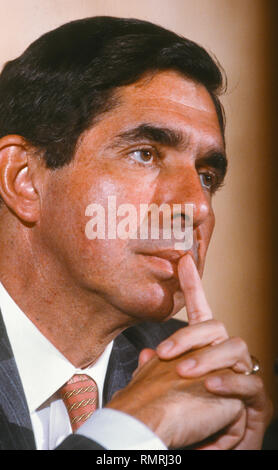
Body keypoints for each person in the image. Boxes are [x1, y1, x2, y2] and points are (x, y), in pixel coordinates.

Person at [0, 16, 272, 450]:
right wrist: (134, 431)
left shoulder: (206, 392)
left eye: (206, 176)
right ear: (23, 178)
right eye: (145, 154)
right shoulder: (161, 407)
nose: (198, 207)